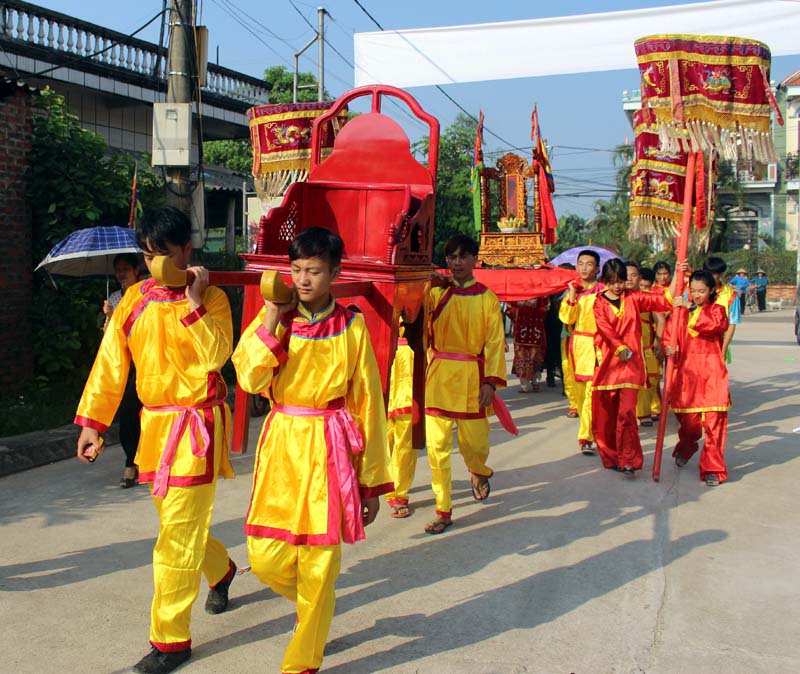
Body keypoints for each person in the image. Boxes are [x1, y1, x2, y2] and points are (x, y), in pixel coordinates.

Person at [75, 206, 237, 674]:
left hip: (197, 429)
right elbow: (110, 364)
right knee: (178, 525)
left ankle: (170, 641)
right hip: (156, 429)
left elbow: (217, 356)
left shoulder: (216, 300)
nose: (154, 265)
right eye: (147, 256)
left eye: (163, 255)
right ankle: (222, 570)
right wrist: (94, 423)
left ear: (188, 250)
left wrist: (195, 302)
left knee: (174, 539)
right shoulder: (133, 301)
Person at [232, 227, 392, 674]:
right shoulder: (276, 322)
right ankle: (314, 610)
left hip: (330, 448)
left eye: (314, 271)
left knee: (320, 564)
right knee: (266, 559)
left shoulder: (352, 325)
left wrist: (371, 481)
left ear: (335, 273)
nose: (303, 280)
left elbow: (368, 403)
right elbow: (248, 379)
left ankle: (302, 660)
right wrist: (268, 317)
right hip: (283, 444)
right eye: (297, 270)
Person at [424, 233, 507, 535]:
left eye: (462, 256)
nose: (456, 262)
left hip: (473, 377)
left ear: (475, 259)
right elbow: (414, 319)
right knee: (437, 448)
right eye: (451, 257)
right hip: (440, 376)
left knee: (474, 444)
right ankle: (443, 509)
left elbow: (496, 343)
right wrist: (425, 285)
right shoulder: (434, 293)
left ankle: (478, 470)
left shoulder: (487, 298)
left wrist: (491, 382)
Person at [591, 258, 677, 476]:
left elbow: (663, 300)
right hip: (608, 367)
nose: (617, 286)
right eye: (612, 282)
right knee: (605, 416)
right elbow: (604, 328)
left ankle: (629, 459)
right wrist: (620, 348)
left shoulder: (635, 298)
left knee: (627, 414)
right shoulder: (599, 302)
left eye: (620, 281)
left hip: (631, 367)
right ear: (605, 281)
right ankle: (611, 457)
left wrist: (679, 274)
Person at [665, 270, 730, 486]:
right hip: (688, 374)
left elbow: (713, 326)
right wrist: (668, 347)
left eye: (702, 291)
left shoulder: (717, 311)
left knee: (714, 426)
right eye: (693, 291)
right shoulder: (679, 312)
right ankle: (687, 446)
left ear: (711, 290)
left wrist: (690, 309)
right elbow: (669, 336)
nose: (697, 295)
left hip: (712, 374)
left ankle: (713, 468)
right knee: (690, 425)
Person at [102, 252, 143, 488]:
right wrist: (109, 318)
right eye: (118, 269)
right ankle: (131, 461)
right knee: (127, 415)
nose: (122, 273)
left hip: (147, 361)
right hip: (126, 365)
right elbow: (110, 339)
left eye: (126, 268)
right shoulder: (115, 298)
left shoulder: (148, 294)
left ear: (137, 270)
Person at [558, 250, 602, 453]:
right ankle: (592, 428)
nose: (584, 267)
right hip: (576, 346)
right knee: (582, 393)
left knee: (593, 393)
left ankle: (586, 437)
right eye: (581, 263)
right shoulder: (572, 292)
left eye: (589, 264)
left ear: (598, 268)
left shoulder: (603, 292)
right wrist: (573, 296)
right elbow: (566, 319)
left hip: (597, 346)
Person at [385, 322, 417, 518]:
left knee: (405, 442)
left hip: (411, 373)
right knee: (379, 440)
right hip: (380, 369)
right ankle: (377, 484)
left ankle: (398, 493)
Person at [636, 267, 665, 425]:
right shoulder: (619, 296)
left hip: (647, 346)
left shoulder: (649, 298)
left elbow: (660, 319)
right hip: (627, 348)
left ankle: (648, 410)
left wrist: (659, 342)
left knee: (651, 380)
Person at [506, 296, 549, 392]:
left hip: (536, 330)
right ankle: (524, 385)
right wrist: (522, 308)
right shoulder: (516, 293)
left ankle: (535, 381)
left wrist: (535, 308)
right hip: (521, 331)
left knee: (536, 358)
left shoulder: (541, 293)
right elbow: (509, 310)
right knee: (522, 358)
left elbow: (546, 307)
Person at [702, 257, 740, 360]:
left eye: (716, 273)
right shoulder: (693, 290)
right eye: (709, 273)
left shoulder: (731, 295)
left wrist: (724, 348)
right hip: (695, 343)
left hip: (717, 343)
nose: (713, 277)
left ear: (721, 274)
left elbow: (732, 323)